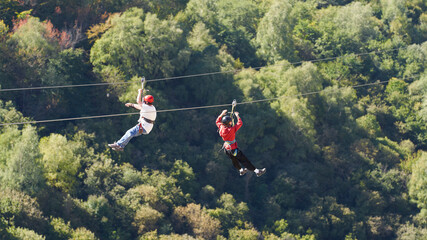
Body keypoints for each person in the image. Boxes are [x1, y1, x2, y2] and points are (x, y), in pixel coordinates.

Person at [216, 109, 266, 177]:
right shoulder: (231, 130)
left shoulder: (221, 127)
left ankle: (241, 170)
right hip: (233, 149)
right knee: (244, 160)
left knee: (234, 160)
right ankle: (257, 171)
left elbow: (217, 121)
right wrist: (237, 116)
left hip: (226, 149)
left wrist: (222, 114)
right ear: (229, 123)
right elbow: (240, 123)